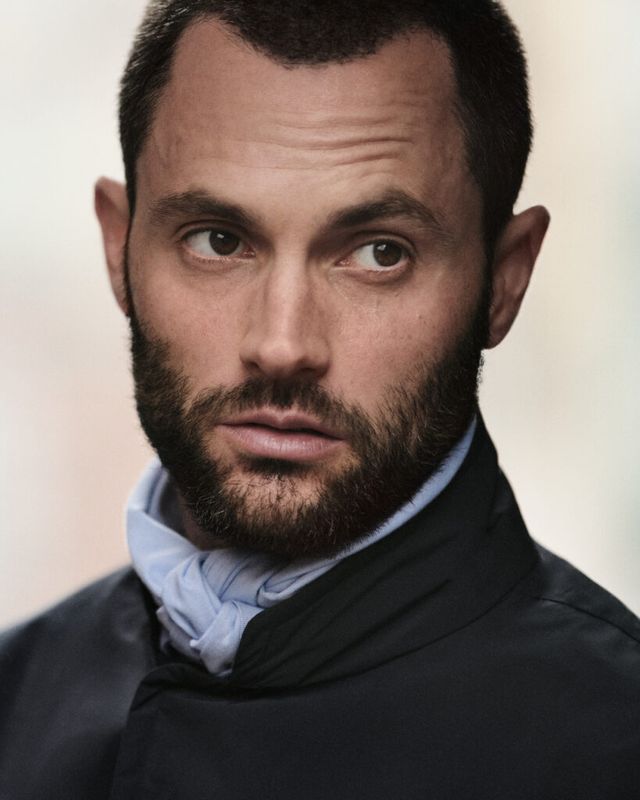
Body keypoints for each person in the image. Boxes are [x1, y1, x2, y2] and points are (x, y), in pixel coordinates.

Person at [1, 1, 638, 797]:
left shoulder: (615, 745)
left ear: (504, 281)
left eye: (379, 254)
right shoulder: (15, 696)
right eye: (217, 241)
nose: (282, 343)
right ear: (118, 247)